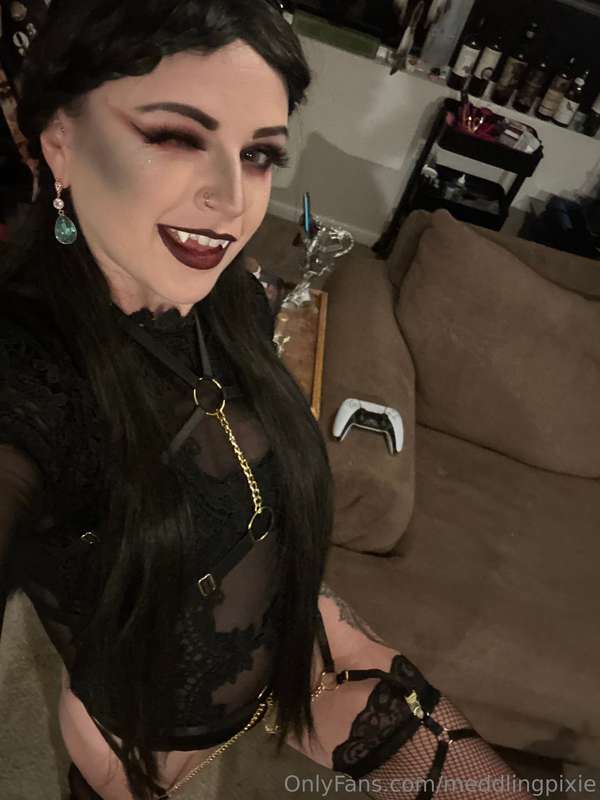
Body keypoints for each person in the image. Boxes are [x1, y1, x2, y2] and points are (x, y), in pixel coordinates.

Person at [0, 2, 535, 799]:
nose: (232, 198)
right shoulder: (29, 373)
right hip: (140, 743)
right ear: (60, 143)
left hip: (311, 651)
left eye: (257, 155)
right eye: (176, 136)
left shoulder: (231, 299)